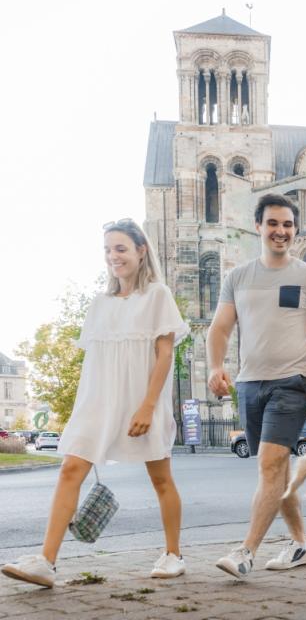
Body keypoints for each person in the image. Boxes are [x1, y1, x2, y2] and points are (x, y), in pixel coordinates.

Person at [1, 219, 189, 587]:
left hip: (142, 402)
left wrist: (149, 405)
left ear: (140, 250)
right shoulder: (99, 304)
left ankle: (173, 555)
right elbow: (95, 365)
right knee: (70, 468)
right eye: (107, 249)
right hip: (98, 403)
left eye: (120, 248)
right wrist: (81, 409)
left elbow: (164, 355)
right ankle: (46, 562)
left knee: (161, 478)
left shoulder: (157, 296)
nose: (113, 256)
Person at [208, 193, 306, 579]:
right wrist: (216, 366)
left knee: (269, 464)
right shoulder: (238, 277)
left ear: (295, 230)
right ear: (259, 227)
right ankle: (301, 543)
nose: (281, 231)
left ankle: (246, 551)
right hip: (248, 384)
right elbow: (219, 328)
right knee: (275, 472)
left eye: (287, 225)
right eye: (273, 223)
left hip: (292, 383)